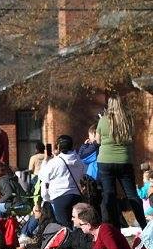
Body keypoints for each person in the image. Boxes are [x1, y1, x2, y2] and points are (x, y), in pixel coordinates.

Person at [95, 96, 147, 230]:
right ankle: (143, 225)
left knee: (109, 194)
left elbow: (98, 140)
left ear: (109, 105)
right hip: (124, 160)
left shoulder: (103, 120)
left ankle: (116, 227)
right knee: (131, 194)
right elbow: (132, 138)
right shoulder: (127, 120)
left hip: (105, 161)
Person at [38, 135, 85, 226]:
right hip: (77, 195)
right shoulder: (78, 160)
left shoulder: (55, 161)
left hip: (61, 196)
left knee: (64, 226)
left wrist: (46, 160)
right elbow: (83, 174)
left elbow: (42, 176)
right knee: (77, 225)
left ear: (58, 147)